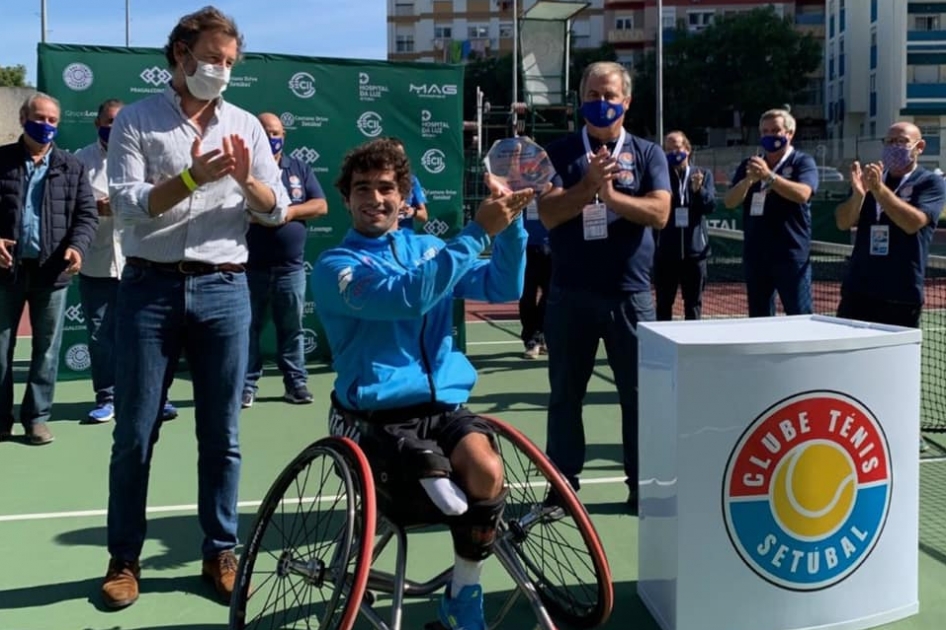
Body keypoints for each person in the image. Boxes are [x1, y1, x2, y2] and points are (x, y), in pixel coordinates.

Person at [101, 6, 290, 609]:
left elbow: (275, 208)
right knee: (134, 432)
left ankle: (220, 550)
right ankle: (124, 559)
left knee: (223, 434)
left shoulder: (245, 127)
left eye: (230, 62)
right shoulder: (136, 120)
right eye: (212, 58)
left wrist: (241, 181)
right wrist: (190, 178)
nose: (221, 71)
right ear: (180, 54)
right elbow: (129, 205)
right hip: (148, 290)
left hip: (224, 290)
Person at [311, 138, 532, 630]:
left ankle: (464, 593)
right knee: (434, 475)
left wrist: (511, 226)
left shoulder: (432, 249)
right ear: (346, 198)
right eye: (362, 188)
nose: (375, 199)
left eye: (386, 188)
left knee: (486, 470)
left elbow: (502, 288)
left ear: (405, 196)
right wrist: (477, 231)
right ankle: (433, 482)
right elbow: (405, 298)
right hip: (374, 417)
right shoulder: (334, 267)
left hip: (444, 409)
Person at [537, 61, 671, 509]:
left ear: (627, 101)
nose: (601, 103)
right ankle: (563, 488)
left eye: (610, 95)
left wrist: (611, 197)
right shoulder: (556, 154)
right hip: (569, 295)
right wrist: (588, 186)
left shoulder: (649, 154)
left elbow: (659, 213)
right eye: (593, 94)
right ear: (580, 101)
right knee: (565, 396)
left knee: (638, 399)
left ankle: (641, 486)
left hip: (631, 296)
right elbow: (551, 213)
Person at [835, 122, 945, 455]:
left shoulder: (931, 183)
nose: (894, 147)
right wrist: (859, 195)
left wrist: (879, 192)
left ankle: (904, 434)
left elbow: (913, 223)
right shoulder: (871, 183)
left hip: (900, 293)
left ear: (919, 147)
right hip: (859, 290)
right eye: (889, 141)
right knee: (848, 366)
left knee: (897, 371)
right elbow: (843, 221)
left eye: (902, 141)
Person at [0, 92, 98, 445]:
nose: (45, 126)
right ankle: (1, 419)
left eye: (52, 120)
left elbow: (86, 216)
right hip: (6, 273)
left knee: (46, 351)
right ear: (24, 118)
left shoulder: (71, 166)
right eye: (39, 118)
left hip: (51, 274)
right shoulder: (2, 160)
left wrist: (76, 247)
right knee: (0, 351)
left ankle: (36, 418)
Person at [74, 99, 179, 424]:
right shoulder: (80, 161)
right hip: (98, 264)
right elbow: (70, 209)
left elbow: (159, 202)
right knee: (100, 336)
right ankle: (107, 397)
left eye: (118, 121)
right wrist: (95, 208)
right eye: (107, 121)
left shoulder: (146, 153)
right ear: (97, 123)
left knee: (148, 335)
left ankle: (156, 397)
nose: (113, 127)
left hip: (142, 259)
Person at [241, 112, 328, 409]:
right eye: (265, 132)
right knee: (247, 328)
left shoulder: (299, 168)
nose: (271, 137)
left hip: (291, 268)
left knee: (291, 328)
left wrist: (287, 213)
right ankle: (246, 385)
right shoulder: (244, 172)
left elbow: (320, 205)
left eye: (276, 132)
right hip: (250, 268)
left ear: (284, 136)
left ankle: (295, 383)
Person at [723, 108, 819, 317]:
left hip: (791, 255)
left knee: (799, 315)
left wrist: (769, 177)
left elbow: (803, 194)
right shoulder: (751, 164)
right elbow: (729, 202)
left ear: (789, 133)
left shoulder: (802, 162)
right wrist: (749, 181)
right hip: (757, 256)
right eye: (765, 132)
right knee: (759, 319)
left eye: (776, 130)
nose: (770, 136)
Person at [653, 130, 716, 321]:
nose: (673, 152)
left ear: (687, 150)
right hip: (666, 253)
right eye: (668, 149)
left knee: (693, 304)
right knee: (663, 304)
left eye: (677, 147)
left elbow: (710, 207)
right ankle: (662, 348)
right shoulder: (659, 176)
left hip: (695, 254)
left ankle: (693, 346)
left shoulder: (703, 174)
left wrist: (699, 191)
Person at [520, 195, 550, 358]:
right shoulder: (519, 178)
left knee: (552, 295)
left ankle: (540, 334)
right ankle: (531, 340)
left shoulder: (556, 176)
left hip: (553, 243)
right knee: (527, 295)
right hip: (526, 246)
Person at [386, 137, 429, 230]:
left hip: (405, 238)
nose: (400, 159)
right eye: (395, 155)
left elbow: (424, 216)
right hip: (379, 238)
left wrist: (412, 212)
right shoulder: (375, 180)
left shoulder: (411, 180)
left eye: (402, 155)